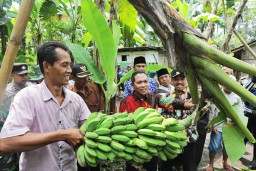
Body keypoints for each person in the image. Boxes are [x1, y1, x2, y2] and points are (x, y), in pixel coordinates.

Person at [0, 41, 90, 171]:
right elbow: (6, 143)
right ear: (47, 67)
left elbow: (89, 129)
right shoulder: (27, 97)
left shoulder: (76, 100)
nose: (70, 70)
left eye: (70, 65)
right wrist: (61, 135)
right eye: (64, 65)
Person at [119, 70, 195, 171]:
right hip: (134, 147)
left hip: (152, 144)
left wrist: (184, 105)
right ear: (132, 85)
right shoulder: (126, 102)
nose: (143, 85)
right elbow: (121, 124)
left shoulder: (154, 97)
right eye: (139, 82)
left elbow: (170, 102)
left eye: (145, 82)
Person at [159, 69, 197, 171]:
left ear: (186, 80)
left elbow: (201, 112)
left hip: (189, 137)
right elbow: (163, 114)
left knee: (189, 167)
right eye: (176, 79)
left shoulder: (194, 96)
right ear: (172, 81)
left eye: (182, 79)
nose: (179, 82)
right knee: (167, 166)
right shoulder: (167, 97)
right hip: (172, 138)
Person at [206, 75, 240, 171]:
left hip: (230, 127)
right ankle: (211, 164)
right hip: (218, 125)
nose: (229, 86)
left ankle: (225, 163)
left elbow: (240, 112)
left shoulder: (237, 97)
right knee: (214, 146)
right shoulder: (218, 94)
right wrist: (212, 124)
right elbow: (212, 110)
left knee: (227, 147)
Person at [0, 63, 31, 171]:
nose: (24, 77)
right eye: (20, 74)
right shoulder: (5, 92)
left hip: (29, 133)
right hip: (11, 135)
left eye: (26, 74)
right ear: (12, 74)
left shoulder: (33, 89)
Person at [244, 75, 256, 169]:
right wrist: (253, 81)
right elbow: (242, 91)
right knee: (244, 134)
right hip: (248, 113)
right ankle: (238, 151)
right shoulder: (251, 81)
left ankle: (255, 159)